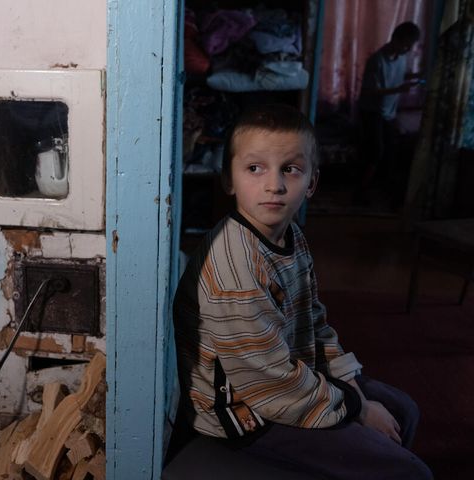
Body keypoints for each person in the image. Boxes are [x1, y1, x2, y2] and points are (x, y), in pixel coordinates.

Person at [172, 104, 432, 479]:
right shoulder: (236, 268)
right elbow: (269, 386)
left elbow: (312, 320)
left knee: (404, 410)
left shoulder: (290, 236)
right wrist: (356, 408)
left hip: (290, 379)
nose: (274, 185)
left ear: (311, 182)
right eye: (254, 168)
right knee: (410, 473)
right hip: (247, 415)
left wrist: (350, 380)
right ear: (228, 179)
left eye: (290, 169)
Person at [357, 21, 423, 202]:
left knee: (391, 151)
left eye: (411, 46)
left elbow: (398, 77)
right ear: (395, 39)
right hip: (372, 111)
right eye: (406, 45)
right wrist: (399, 89)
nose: (408, 50)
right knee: (376, 151)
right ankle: (360, 192)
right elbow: (369, 90)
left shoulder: (400, 58)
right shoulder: (377, 60)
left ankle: (384, 191)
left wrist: (415, 77)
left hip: (388, 112)